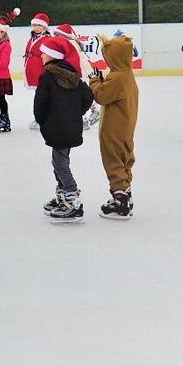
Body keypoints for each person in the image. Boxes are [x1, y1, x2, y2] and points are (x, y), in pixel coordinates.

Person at [34, 36, 94, 223]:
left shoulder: (48, 76)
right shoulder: (73, 74)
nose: (42, 55)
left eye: (44, 53)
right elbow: (88, 96)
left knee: (60, 164)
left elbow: (40, 104)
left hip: (56, 127)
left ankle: (72, 198)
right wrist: (76, 114)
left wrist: (44, 121)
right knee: (59, 161)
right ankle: (62, 196)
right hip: (70, 126)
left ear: (52, 56)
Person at [88, 35, 139, 220]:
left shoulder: (117, 78)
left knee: (113, 161)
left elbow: (101, 96)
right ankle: (125, 192)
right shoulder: (126, 74)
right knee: (125, 159)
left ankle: (120, 201)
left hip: (113, 130)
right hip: (125, 128)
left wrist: (94, 81)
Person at [54, 23, 99, 129]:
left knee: (77, 97)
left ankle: (84, 120)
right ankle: (93, 110)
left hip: (78, 73)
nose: (55, 37)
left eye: (58, 35)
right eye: (55, 35)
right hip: (78, 73)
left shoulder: (71, 44)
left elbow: (72, 59)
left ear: (65, 36)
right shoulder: (70, 43)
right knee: (80, 95)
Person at [22, 12, 51, 129]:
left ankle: (43, 118)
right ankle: (39, 118)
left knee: (43, 96)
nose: (37, 27)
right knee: (39, 96)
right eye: (35, 25)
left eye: (39, 25)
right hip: (33, 70)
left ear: (44, 27)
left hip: (41, 71)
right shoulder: (33, 37)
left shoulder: (47, 39)